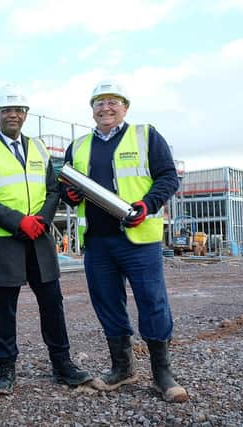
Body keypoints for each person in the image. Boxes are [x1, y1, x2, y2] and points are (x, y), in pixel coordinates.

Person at [59, 80, 188, 403]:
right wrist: (70, 195)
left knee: (152, 301)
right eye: (99, 103)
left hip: (139, 239)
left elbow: (168, 177)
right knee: (106, 302)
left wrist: (148, 205)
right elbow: (68, 189)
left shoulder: (145, 136)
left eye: (113, 102)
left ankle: (162, 372)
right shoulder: (79, 145)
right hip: (99, 241)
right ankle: (122, 366)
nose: (106, 108)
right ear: (92, 110)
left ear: (125, 107)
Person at [0, 83, 92, 396]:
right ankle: (5, 370)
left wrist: (41, 220)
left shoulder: (38, 147)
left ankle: (62, 363)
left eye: (19, 110)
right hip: (3, 239)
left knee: (52, 301)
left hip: (38, 237)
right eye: (7, 110)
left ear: (26, 114)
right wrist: (18, 222)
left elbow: (54, 189)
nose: (13, 115)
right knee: (5, 308)